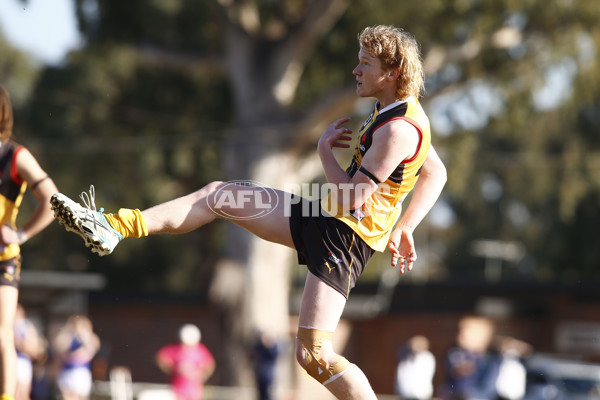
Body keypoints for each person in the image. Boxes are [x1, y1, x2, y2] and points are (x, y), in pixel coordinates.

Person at [50, 24, 447, 400]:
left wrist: (324, 152)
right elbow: (435, 172)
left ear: (393, 72)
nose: (355, 69)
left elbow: (353, 199)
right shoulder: (395, 111)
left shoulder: (399, 129)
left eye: (366, 63)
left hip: (344, 237)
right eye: (358, 59)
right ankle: (113, 227)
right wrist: (406, 225)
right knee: (219, 195)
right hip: (326, 218)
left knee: (314, 354)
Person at [0, 86, 58, 400]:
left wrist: (21, 234)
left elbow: (53, 200)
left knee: (1, 335)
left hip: (3, 258)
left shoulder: (14, 156)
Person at [156, 324, 216, 400]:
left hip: (195, 391)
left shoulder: (201, 350)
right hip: (177, 389)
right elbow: (161, 357)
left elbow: (210, 364)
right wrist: (172, 369)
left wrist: (203, 375)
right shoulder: (176, 350)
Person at [51, 315, 100, 400]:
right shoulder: (67, 337)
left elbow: (91, 350)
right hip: (67, 372)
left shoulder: (88, 337)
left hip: (81, 372)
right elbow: (58, 348)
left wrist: (84, 336)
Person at [14, 305, 44, 400]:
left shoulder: (26, 326)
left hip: (22, 363)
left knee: (22, 393)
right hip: (10, 362)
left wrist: (19, 344)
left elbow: (34, 348)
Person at [394, 335, 436, 400]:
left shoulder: (427, 357)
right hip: (404, 395)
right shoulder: (406, 358)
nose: (414, 345)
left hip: (421, 395)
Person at [250, 330, 281, 400]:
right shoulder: (259, 345)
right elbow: (252, 355)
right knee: (260, 395)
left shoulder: (273, 346)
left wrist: (267, 345)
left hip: (268, 376)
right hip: (260, 375)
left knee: (268, 395)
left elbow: (273, 355)